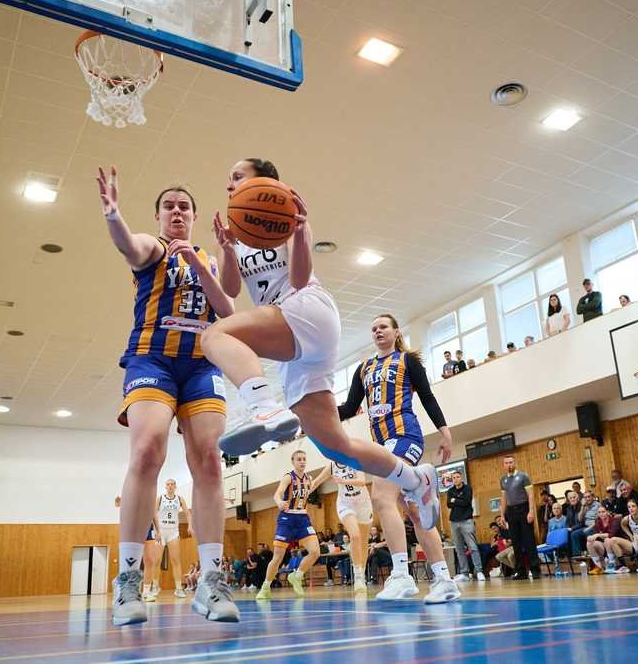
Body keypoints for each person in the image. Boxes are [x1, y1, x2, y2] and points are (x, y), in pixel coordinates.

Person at [202, 158, 448, 548]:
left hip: (306, 309)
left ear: (263, 182)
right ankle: (415, 479)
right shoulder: (236, 230)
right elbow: (230, 289)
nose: (229, 186)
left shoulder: (286, 216)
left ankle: (263, 405)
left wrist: (301, 233)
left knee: (214, 336)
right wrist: (227, 248)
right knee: (337, 447)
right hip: (293, 343)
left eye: (237, 177)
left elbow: (299, 279)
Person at [97, 167, 238, 625]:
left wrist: (218, 255)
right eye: (169, 206)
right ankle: (129, 580)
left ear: (194, 216)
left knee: (210, 460)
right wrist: (113, 215)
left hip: (201, 365)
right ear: (159, 215)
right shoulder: (155, 248)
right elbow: (129, 246)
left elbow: (228, 307)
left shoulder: (206, 259)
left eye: (184, 207)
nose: (177, 212)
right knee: (147, 450)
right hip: (152, 360)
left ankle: (211, 581)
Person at [334, 313, 461, 603]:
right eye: (373, 328)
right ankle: (444, 580)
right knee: (414, 511)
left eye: (383, 326)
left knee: (381, 496)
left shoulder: (407, 361)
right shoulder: (364, 368)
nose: (377, 331)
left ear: (396, 331)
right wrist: (317, 413)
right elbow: (349, 407)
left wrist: (445, 432)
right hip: (381, 444)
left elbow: (427, 396)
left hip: (405, 436)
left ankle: (402, 575)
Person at [255, 449, 321, 600]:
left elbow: (316, 483)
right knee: (278, 557)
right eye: (299, 459)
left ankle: (297, 576)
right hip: (287, 519)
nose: (302, 461)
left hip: (303, 519)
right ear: (293, 461)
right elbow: (277, 493)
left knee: (315, 552)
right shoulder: (288, 477)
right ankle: (265, 587)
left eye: (304, 459)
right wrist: (279, 502)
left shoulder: (308, 479)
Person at [312, 460, 373, 592]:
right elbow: (316, 482)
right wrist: (302, 494)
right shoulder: (332, 466)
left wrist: (344, 481)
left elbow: (362, 481)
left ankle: (362, 574)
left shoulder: (354, 460)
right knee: (355, 536)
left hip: (363, 503)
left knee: (363, 541)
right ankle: (358, 576)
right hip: (345, 503)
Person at [499, 456, 539, 580]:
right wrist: (502, 515)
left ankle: (535, 570)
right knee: (516, 542)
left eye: (511, 462)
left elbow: (530, 495)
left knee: (529, 541)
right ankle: (521, 571)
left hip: (524, 509)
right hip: (511, 512)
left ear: (514, 463)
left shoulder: (523, 476)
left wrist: (531, 511)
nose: (509, 465)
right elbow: (503, 498)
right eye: (506, 463)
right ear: (504, 465)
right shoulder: (503, 479)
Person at [157, 479, 192, 598]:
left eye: (172, 484)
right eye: (168, 484)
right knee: (157, 561)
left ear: (175, 486)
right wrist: (156, 530)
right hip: (161, 530)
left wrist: (190, 525)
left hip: (173, 531)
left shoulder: (180, 498)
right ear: (165, 486)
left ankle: (178, 588)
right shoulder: (160, 498)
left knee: (176, 561)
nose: (170, 486)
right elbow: (153, 513)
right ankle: (155, 586)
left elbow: (188, 513)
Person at [447, 471, 484, 582]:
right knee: (459, 548)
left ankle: (479, 571)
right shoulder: (450, 491)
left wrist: (455, 500)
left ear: (461, 478)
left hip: (466, 520)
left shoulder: (467, 489)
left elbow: (466, 502)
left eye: (458, 477)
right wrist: (458, 501)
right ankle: (464, 573)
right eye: (454, 478)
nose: (456, 479)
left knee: (472, 547)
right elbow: (449, 504)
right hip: (454, 521)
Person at [585, 506, 623, 574]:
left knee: (607, 540)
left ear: (607, 512)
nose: (601, 514)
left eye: (603, 512)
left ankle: (612, 563)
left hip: (615, 545)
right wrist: (591, 537)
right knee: (589, 543)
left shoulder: (615, 520)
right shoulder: (597, 522)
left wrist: (597, 535)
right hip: (604, 546)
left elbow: (611, 535)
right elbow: (597, 537)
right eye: (599, 512)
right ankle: (598, 567)